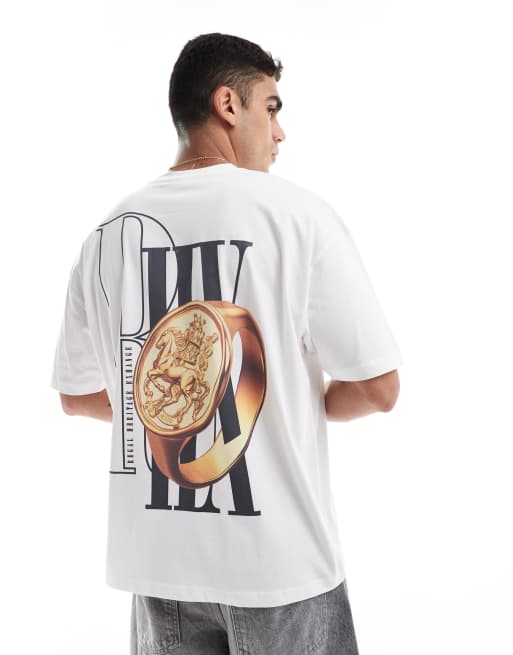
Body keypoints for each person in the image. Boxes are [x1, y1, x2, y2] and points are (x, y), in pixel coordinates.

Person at [50, 32, 402, 654]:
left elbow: (78, 397)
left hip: (158, 569)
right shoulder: (296, 215)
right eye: (271, 107)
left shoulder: (105, 234)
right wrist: (284, 400)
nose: (280, 132)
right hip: (279, 566)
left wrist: (172, 409)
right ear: (228, 104)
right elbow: (378, 387)